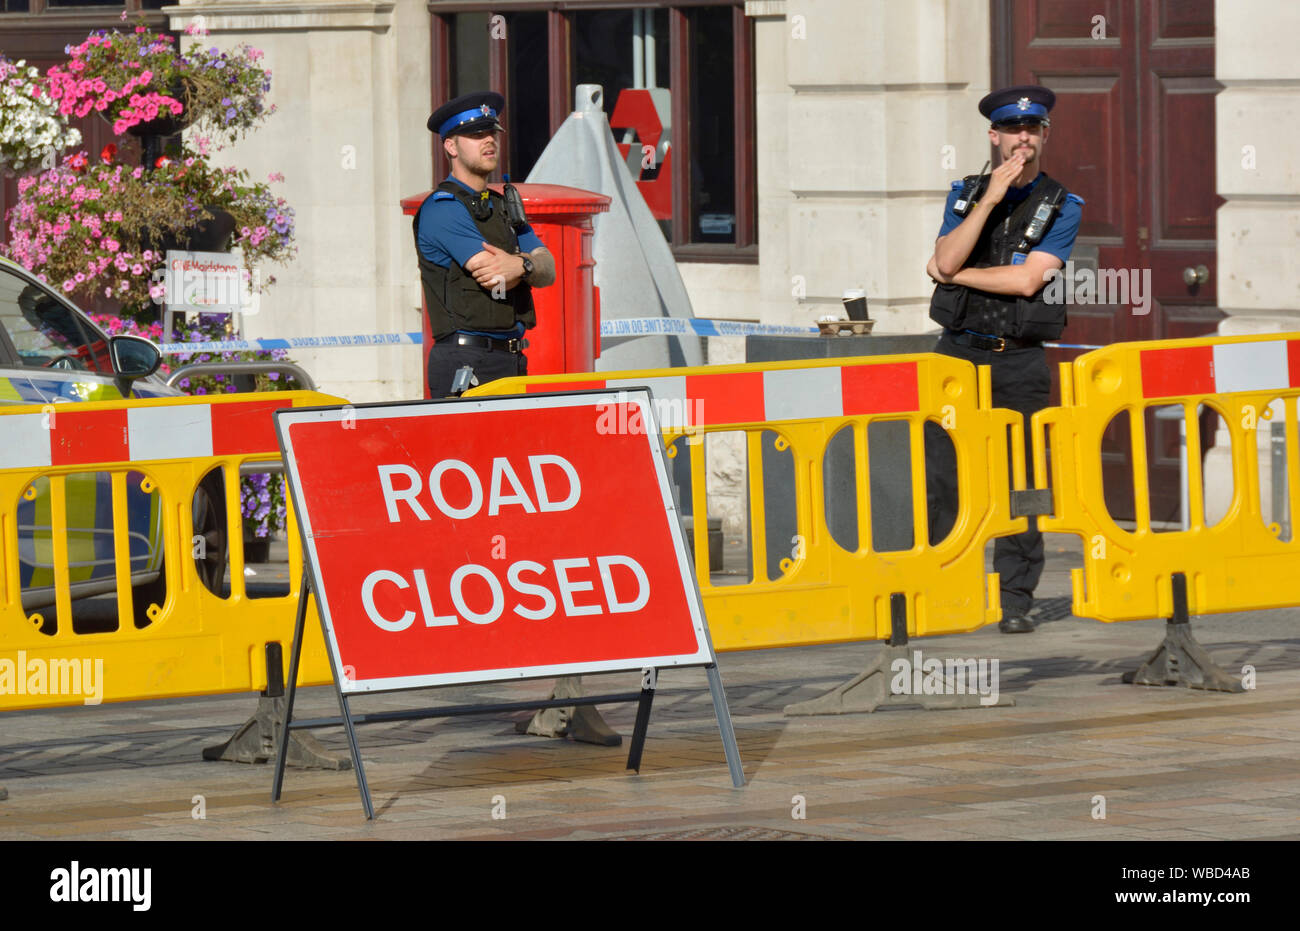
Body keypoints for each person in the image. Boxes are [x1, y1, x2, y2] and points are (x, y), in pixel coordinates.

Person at [924, 84, 1084, 634]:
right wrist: (989, 200)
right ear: (994, 137)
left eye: (1032, 129)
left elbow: (1026, 279)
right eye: (1013, 130)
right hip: (956, 357)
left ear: (1045, 135)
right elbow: (945, 253)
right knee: (944, 478)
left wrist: (955, 274)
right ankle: (948, 589)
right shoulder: (966, 193)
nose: (1023, 139)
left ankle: (1015, 598)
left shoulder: (1063, 204)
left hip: (1016, 361)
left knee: (1022, 482)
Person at [414, 91, 557, 397]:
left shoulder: (502, 205)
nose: (489, 140)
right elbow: (493, 273)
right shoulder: (443, 208)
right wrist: (527, 262)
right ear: (450, 146)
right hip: (466, 363)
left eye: (492, 133)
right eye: (476, 135)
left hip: (512, 358)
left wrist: (522, 264)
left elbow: (549, 269)